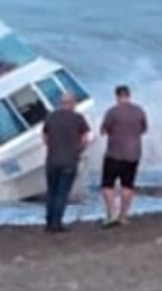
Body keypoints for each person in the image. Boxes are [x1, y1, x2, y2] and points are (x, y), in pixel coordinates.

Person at [100, 85, 148, 228]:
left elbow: (104, 130)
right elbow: (144, 129)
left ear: (117, 96)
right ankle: (123, 215)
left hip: (114, 153)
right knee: (127, 185)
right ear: (129, 95)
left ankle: (111, 213)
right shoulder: (139, 111)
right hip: (133, 153)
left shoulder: (112, 112)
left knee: (107, 185)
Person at [42, 93, 91, 233]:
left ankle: (49, 221)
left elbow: (45, 137)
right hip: (69, 160)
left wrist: (52, 147)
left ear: (61, 103)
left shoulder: (50, 117)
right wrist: (78, 151)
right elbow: (85, 138)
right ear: (73, 103)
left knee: (51, 191)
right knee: (62, 193)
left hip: (52, 160)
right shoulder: (78, 118)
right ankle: (56, 223)